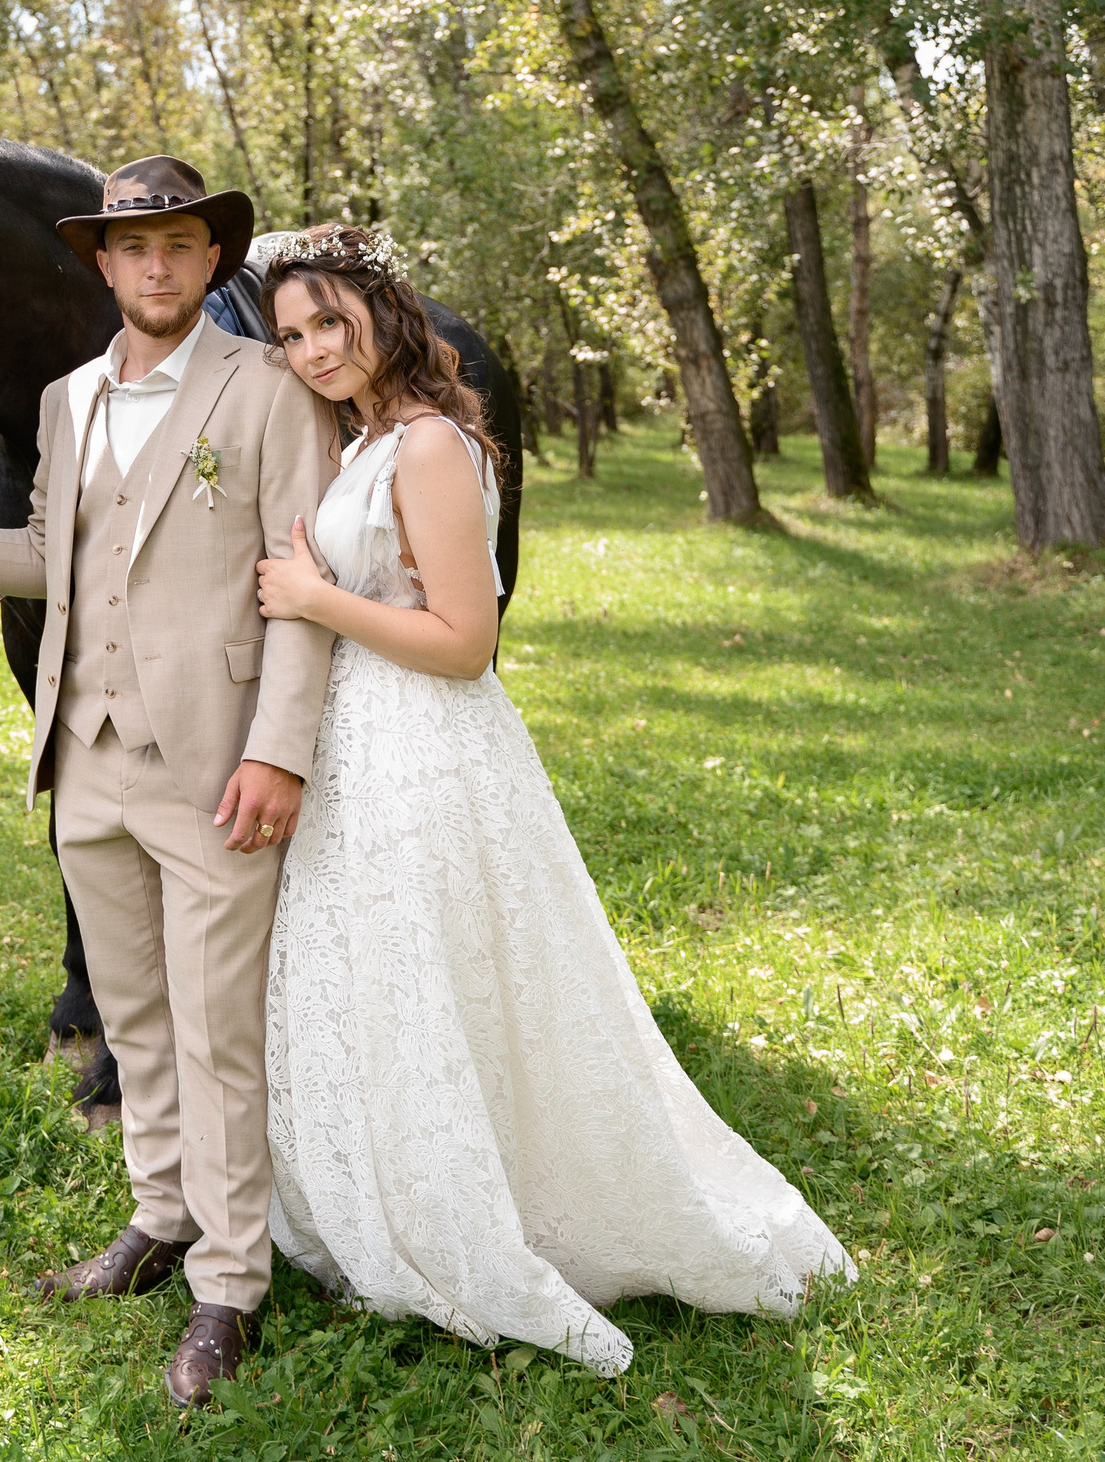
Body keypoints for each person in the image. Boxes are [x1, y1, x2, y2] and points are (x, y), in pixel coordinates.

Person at [251, 223, 855, 1375]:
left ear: (385, 310)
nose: (312, 350)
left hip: (425, 743)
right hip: (365, 747)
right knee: (394, 982)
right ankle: (404, 1197)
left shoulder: (427, 444)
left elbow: (464, 643)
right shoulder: (367, 439)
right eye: (289, 335)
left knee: (442, 977)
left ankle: (490, 1219)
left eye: (329, 321)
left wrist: (315, 600)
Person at [0, 156, 338, 1407]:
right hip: (88, 765)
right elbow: (48, 554)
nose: (154, 268)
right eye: (130, 250)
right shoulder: (66, 400)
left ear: (209, 261)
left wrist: (278, 749)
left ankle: (230, 1284)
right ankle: (158, 1221)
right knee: (135, 1018)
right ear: (101, 267)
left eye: (177, 246)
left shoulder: (269, 393)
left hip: (215, 763)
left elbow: (304, 588)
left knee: (219, 1033)